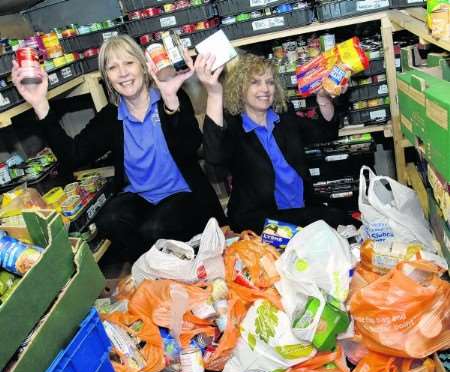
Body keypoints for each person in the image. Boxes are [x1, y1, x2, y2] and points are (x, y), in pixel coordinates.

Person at [12, 35, 225, 261]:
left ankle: (179, 267)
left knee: (153, 229)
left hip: (183, 195)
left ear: (144, 67)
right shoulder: (110, 117)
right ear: (107, 78)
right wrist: (40, 104)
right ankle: (149, 274)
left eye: (129, 63)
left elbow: (190, 145)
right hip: (141, 199)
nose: (123, 73)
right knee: (108, 219)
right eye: (113, 68)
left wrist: (170, 99)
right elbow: (73, 156)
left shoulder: (170, 97)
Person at [195, 52, 353, 233]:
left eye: (270, 82)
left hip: (301, 209)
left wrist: (323, 98)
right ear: (240, 88)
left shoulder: (284, 117)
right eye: (255, 82)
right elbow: (215, 168)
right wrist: (214, 94)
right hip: (258, 220)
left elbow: (326, 132)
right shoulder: (234, 127)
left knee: (341, 223)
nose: (265, 89)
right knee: (332, 220)